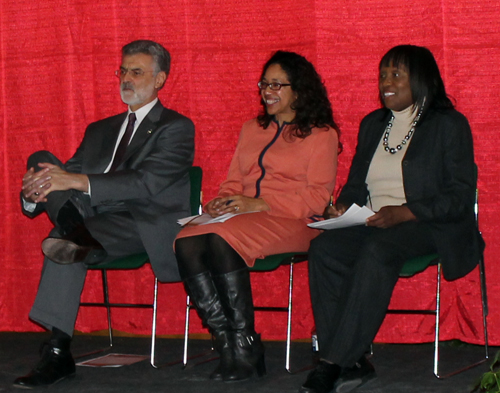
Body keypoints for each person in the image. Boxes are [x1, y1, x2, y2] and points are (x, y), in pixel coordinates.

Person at [299, 44, 484, 393]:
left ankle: (332, 361)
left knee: (378, 251)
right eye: (383, 74)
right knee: (325, 249)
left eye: (396, 74)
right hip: (373, 221)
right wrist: (341, 209)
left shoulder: (449, 124)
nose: (386, 81)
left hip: (429, 224)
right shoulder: (373, 124)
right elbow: (355, 186)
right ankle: (351, 358)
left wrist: (406, 211)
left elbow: (460, 196)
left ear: (421, 79)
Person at [15, 40, 195, 388]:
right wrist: (34, 193)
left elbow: (145, 182)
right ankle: (74, 229)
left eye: (137, 72)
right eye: (123, 70)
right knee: (41, 158)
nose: (126, 78)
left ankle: (57, 352)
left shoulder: (175, 127)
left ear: (160, 80)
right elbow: (64, 176)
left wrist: (72, 180)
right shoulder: (100, 129)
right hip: (90, 215)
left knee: (63, 241)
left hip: (139, 220)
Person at [175, 50, 339, 382]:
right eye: (265, 83)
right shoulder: (252, 129)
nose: (268, 91)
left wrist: (260, 203)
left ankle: (245, 346)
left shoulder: (321, 134)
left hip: (296, 221)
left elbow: (317, 198)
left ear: (299, 91)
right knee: (186, 240)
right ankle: (229, 345)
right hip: (244, 218)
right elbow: (234, 180)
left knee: (221, 240)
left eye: (278, 84)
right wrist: (221, 201)